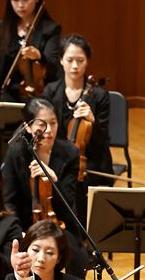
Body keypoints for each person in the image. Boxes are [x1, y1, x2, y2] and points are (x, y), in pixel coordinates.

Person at [2, 96, 88, 277]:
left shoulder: (69, 153)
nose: (49, 131)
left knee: (78, 257)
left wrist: (53, 181)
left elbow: (68, 205)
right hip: (25, 224)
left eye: (53, 123)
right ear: (27, 126)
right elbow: (9, 203)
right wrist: (21, 233)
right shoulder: (16, 153)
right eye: (42, 125)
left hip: (59, 224)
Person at [43, 33, 113, 221]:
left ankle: (81, 234)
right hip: (57, 155)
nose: (75, 66)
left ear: (87, 62)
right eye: (70, 60)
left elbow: (104, 140)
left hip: (91, 159)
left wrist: (92, 120)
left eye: (80, 60)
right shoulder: (50, 91)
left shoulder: (99, 96)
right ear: (60, 60)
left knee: (79, 182)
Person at [0, 0, 61, 102]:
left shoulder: (50, 29)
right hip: (7, 96)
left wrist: (39, 56)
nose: (20, 5)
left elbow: (54, 68)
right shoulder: (3, 27)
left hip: (39, 97)